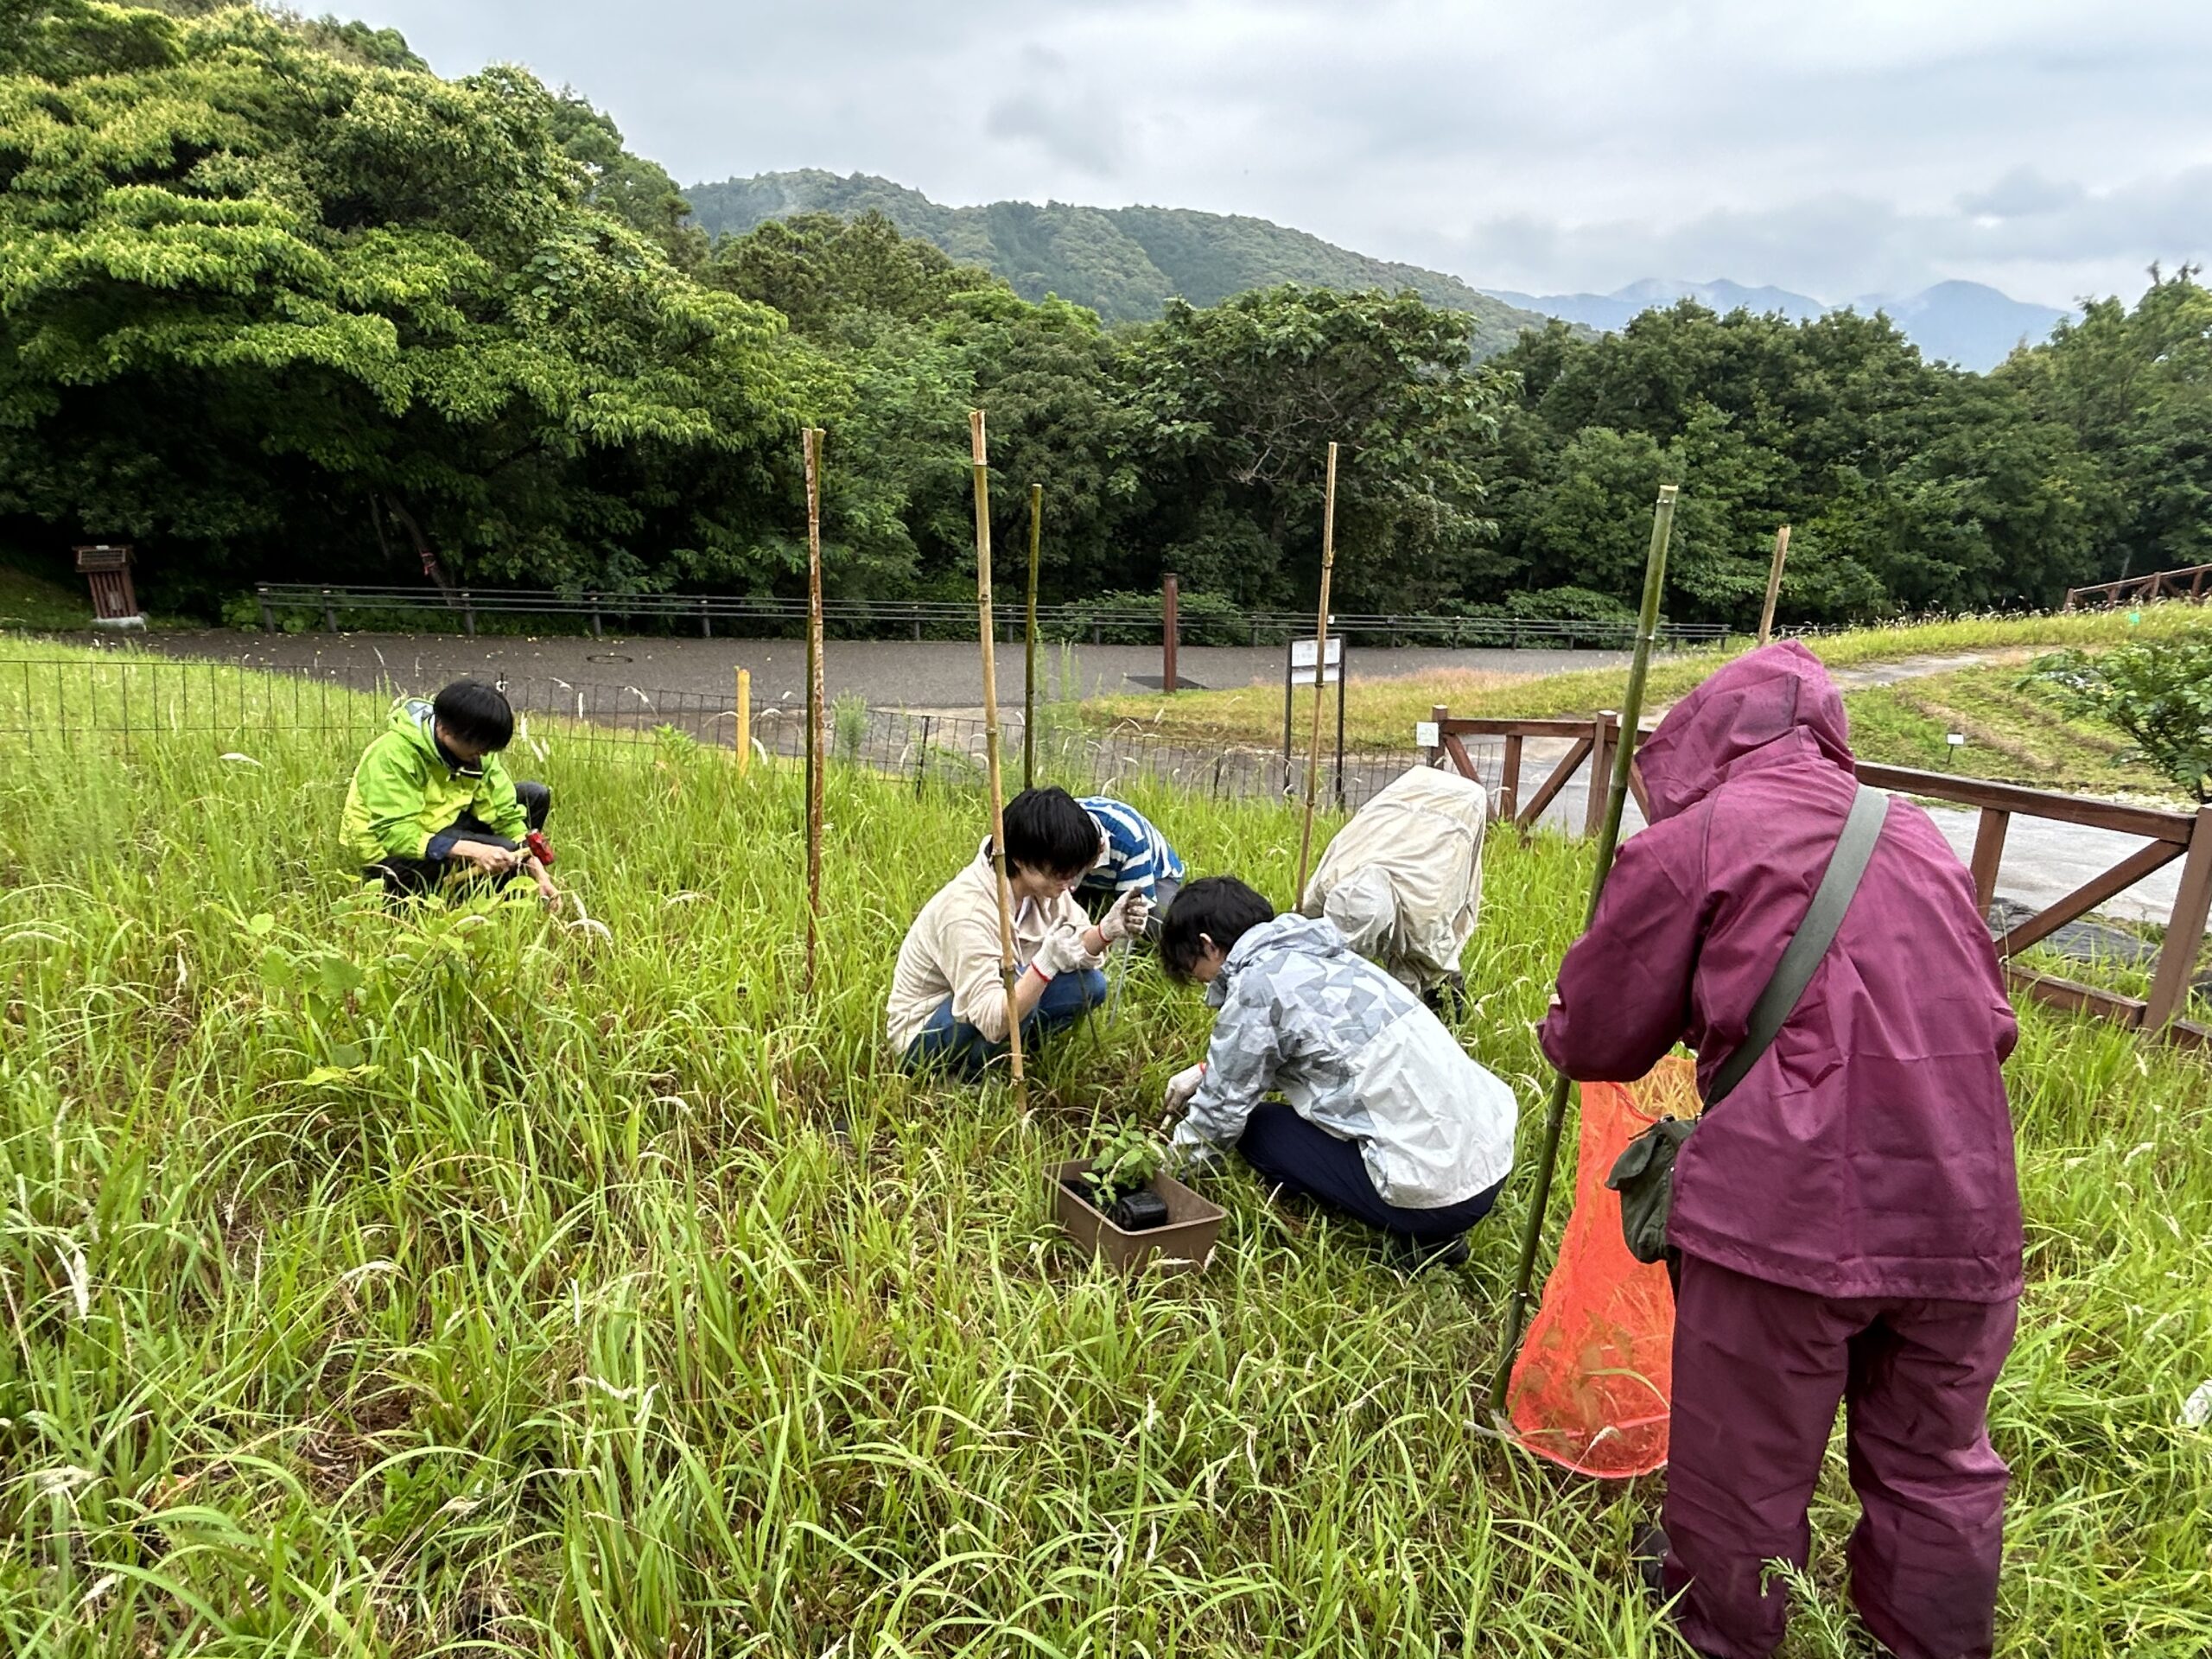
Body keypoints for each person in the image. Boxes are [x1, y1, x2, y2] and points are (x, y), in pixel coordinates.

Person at [1537, 642, 2021, 1659]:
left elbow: (1599, 1039)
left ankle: (1722, 1632)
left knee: (1741, 1465)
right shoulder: (1918, 836)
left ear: (1703, 739)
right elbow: (1995, 1020)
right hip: (1966, 1212)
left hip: (1783, 1214)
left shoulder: (1697, 841)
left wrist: (1565, 1022)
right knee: (1937, 1464)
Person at [1158, 876, 1516, 1266]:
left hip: (1439, 1191)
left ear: (1209, 945)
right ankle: (1430, 1223)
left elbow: (1220, 1116)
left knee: (1259, 1129)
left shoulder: (1255, 988)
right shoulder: (1330, 955)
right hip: (1490, 1156)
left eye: (1193, 967)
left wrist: (1158, 1171)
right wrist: (1206, 1071)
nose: (1200, 980)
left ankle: (1424, 1238)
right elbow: (1318, 1047)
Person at [889, 785, 1151, 1078]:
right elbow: (991, 1018)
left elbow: (1075, 944)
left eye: (1075, 871)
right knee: (1028, 987)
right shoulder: (967, 912)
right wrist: (1043, 967)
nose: (1071, 883)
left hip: (992, 1005)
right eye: (1061, 871)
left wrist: (1105, 931)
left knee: (1089, 986)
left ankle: (999, 1062)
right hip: (923, 1033)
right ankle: (964, 1075)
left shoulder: (1046, 888)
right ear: (1021, 859)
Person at [341, 681, 559, 907]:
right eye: (477, 746)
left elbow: (507, 817)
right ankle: (448, 895)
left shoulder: (478, 752)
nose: (483, 754)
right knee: (505, 850)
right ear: (444, 729)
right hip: (389, 851)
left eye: (488, 748)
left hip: (444, 825)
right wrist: (476, 850)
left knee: (534, 796)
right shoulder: (392, 754)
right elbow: (395, 834)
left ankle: (490, 882)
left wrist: (540, 875)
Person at [1299, 764, 1486, 1007]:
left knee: (1440, 955)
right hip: (1400, 800)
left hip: (1458, 807)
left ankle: (1451, 1003)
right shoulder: (1329, 880)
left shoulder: (1424, 914)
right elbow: (1302, 919)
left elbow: (1410, 983)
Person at [1075, 795, 1185, 941]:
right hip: (1095, 874)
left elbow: (1130, 916)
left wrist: (1115, 961)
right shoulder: (1056, 825)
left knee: (1162, 927)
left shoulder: (1132, 842)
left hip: (1154, 874)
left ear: (1101, 848)